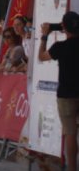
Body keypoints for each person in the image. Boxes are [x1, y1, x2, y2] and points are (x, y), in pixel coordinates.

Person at [38, 11, 79, 171]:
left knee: (70, 133)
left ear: (64, 27)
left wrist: (45, 36)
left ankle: (72, 168)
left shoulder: (60, 47)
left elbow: (41, 56)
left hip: (66, 95)